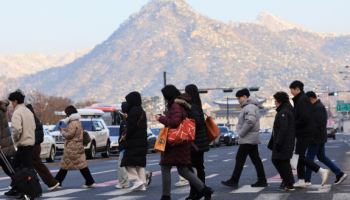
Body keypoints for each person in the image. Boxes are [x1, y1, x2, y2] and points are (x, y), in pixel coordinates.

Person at [156, 85, 213, 200]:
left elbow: (175, 122)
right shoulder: (182, 103)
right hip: (182, 142)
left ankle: (166, 196)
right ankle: (204, 190)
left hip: (175, 143)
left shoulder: (175, 105)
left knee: (165, 166)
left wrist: (160, 118)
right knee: (183, 170)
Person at [221, 88, 267, 189]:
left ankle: (234, 180)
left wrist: (241, 133)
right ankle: (262, 180)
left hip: (247, 138)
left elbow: (250, 121)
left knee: (240, 159)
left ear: (245, 97)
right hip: (251, 138)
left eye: (239, 98)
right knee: (256, 160)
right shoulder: (250, 106)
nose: (238, 100)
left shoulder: (249, 107)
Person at [289, 80, 330, 188]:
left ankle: (321, 171)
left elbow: (304, 118)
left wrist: (293, 124)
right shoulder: (301, 99)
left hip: (304, 132)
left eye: (292, 90)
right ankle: (302, 180)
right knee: (299, 156)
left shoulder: (302, 100)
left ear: (297, 89)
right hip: (303, 132)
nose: (291, 92)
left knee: (299, 156)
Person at [305, 91, 347, 185]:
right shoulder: (318, 107)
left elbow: (317, 125)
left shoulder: (318, 108)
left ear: (311, 98)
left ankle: (306, 180)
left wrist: (311, 137)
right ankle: (339, 173)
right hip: (319, 137)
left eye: (307, 101)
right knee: (321, 157)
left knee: (308, 159)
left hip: (316, 138)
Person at [5, 90, 39, 197]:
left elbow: (17, 129)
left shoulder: (17, 112)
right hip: (30, 143)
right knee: (21, 167)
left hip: (22, 144)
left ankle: (30, 190)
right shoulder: (28, 111)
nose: (11, 104)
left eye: (12, 102)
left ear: (15, 101)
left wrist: (15, 140)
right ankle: (16, 187)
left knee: (21, 169)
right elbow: (34, 127)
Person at [55, 105, 95, 188]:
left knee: (65, 165)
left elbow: (69, 135)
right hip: (78, 146)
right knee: (80, 164)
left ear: (69, 114)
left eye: (66, 113)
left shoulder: (72, 123)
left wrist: (62, 131)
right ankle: (89, 181)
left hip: (72, 147)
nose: (66, 115)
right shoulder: (77, 122)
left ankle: (58, 181)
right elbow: (74, 133)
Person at [183, 84, 211, 199]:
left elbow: (197, 123)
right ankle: (199, 191)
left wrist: (186, 120)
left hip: (196, 143)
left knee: (191, 169)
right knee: (198, 168)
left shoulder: (192, 107)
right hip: (200, 142)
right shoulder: (197, 105)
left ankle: (198, 191)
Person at [26, 104, 60, 191]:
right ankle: (51, 182)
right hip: (36, 146)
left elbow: (36, 136)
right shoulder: (36, 121)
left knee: (29, 166)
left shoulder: (31, 121)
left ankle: (50, 183)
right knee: (36, 166)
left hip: (32, 147)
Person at [120, 92, 148, 191]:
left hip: (134, 142)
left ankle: (137, 181)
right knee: (139, 163)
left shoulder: (133, 111)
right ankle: (142, 184)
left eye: (128, 100)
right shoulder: (142, 111)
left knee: (127, 163)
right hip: (142, 141)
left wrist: (125, 137)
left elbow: (131, 128)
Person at [268, 92, 295, 191]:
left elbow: (283, 129)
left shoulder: (284, 112)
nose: (275, 103)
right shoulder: (285, 110)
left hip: (284, 143)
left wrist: (278, 142)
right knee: (283, 162)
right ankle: (288, 182)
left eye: (276, 101)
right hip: (285, 142)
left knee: (280, 161)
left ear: (280, 101)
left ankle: (289, 183)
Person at [0, 99, 16, 180]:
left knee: (9, 169)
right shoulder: (1, 109)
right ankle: (17, 185)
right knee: (9, 168)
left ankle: (21, 185)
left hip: (2, 146)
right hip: (5, 144)